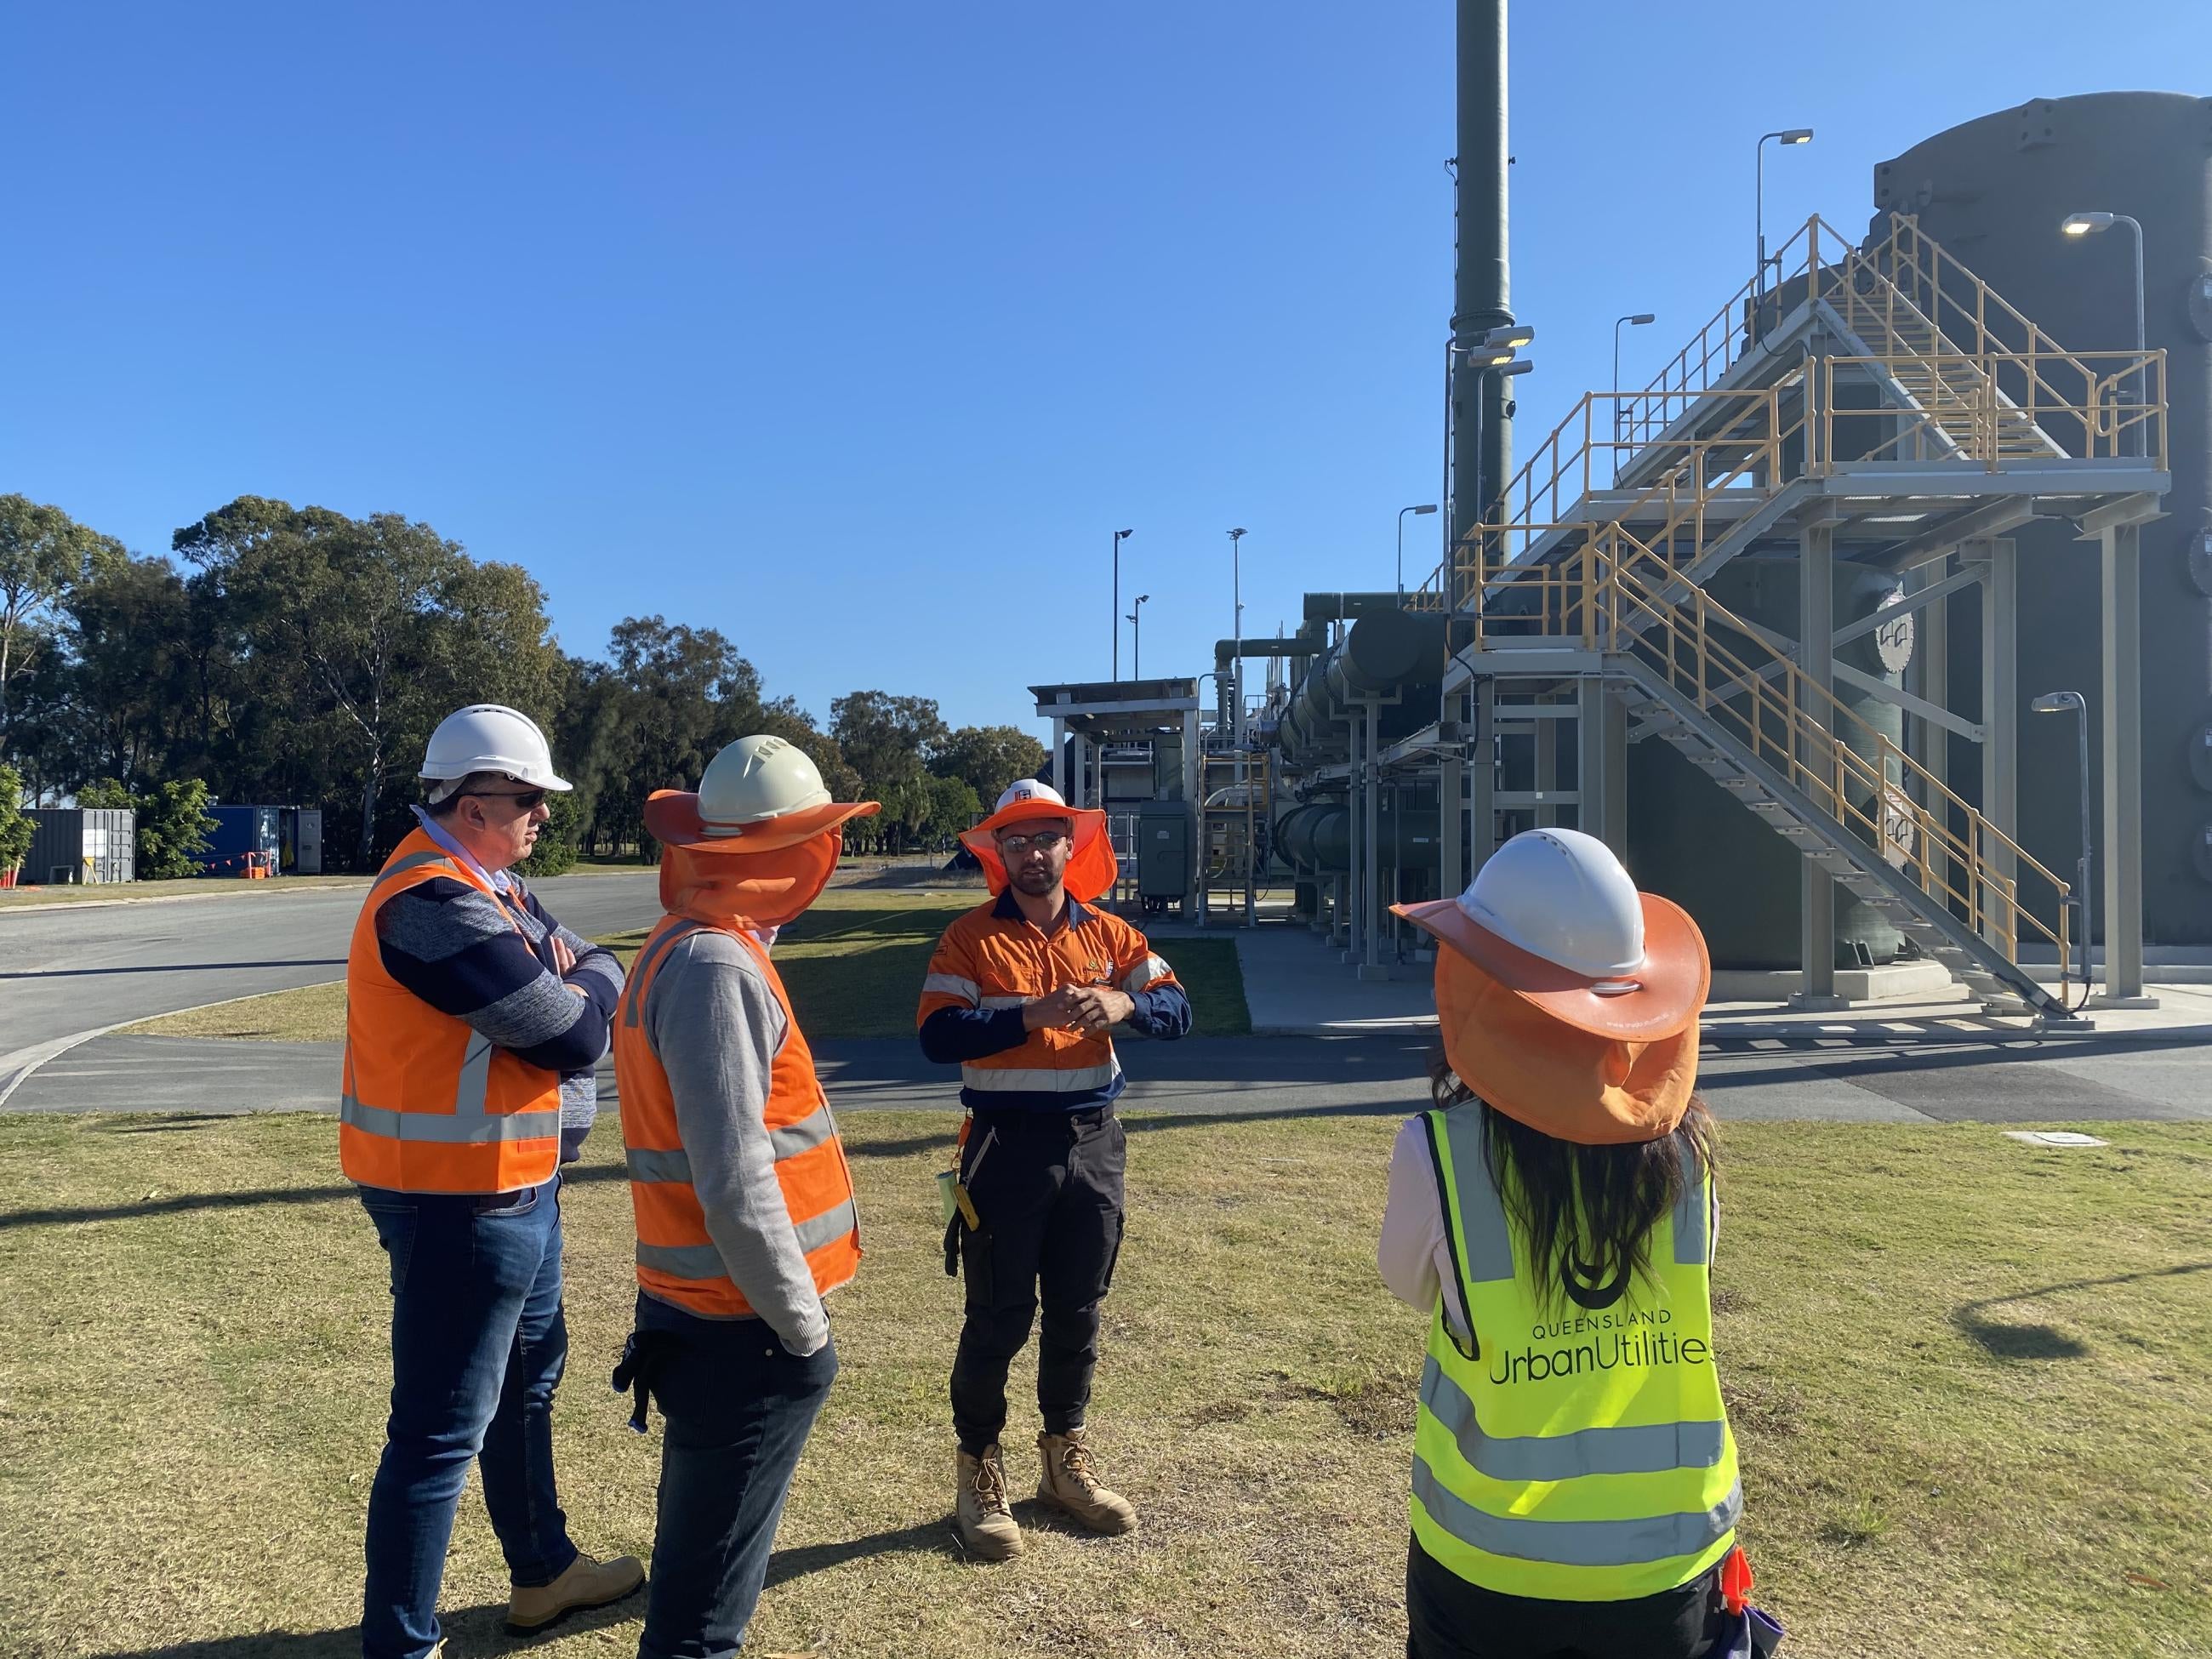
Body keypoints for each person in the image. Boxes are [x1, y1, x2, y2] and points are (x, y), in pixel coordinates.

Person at [1380, 828, 1743, 1659]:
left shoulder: (1437, 1152)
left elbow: (1410, 1284)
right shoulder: (1691, 1152)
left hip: (1488, 1564)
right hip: (1671, 1561)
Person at [341, 704, 642, 1659]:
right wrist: (579, 985)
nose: (541, 816)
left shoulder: (493, 885)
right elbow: (571, 1030)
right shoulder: (434, 900)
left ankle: (542, 1572)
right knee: (438, 1435)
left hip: (517, 1186)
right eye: (527, 799)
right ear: (473, 802)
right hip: (458, 1201)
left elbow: (592, 966)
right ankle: (401, 1644)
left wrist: (576, 977)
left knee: (526, 1387)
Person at [611, 735, 877, 1659]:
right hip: (740, 1324)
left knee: (698, 1574)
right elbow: (733, 1178)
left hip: (711, 1314)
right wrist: (801, 1328)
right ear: (794, 855)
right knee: (701, 1623)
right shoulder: (715, 968)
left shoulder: (700, 949)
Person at [915, 778, 1192, 1560]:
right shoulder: (968, 938)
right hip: (1005, 1149)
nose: (1033, 854)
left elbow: (1179, 1009)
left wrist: (1126, 1007)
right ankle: (978, 1470)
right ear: (996, 853)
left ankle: (1063, 1463)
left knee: (1079, 1311)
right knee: (998, 1319)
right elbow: (939, 1035)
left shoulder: (1111, 935)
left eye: (1046, 838)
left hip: (1095, 1143)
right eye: (1017, 841)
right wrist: (1026, 1014)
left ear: (1072, 847)